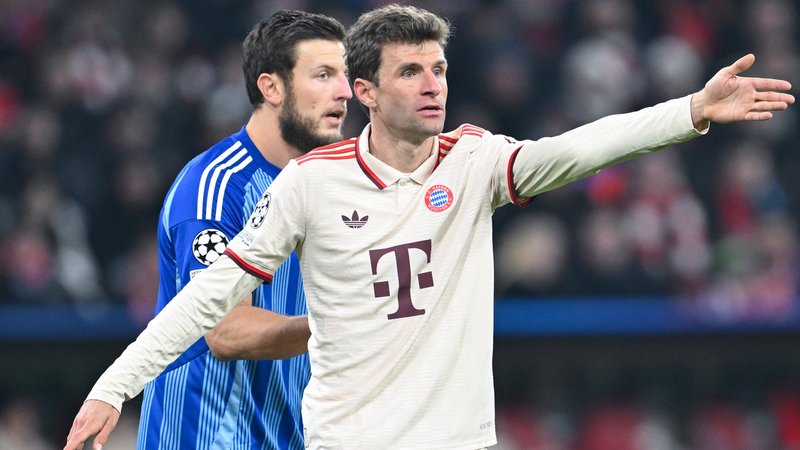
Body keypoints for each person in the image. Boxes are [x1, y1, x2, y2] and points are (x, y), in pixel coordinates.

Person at [65, 4, 794, 450]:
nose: (432, 84)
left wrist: (689, 112)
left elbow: (575, 151)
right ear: (367, 91)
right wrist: (113, 387)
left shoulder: (473, 163)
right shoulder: (311, 184)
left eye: (438, 68)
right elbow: (208, 301)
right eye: (410, 71)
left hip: (459, 442)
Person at [76, 10, 351, 450]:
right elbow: (225, 331)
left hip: (292, 436)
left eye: (345, 75)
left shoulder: (330, 185)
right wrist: (346, 325)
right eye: (323, 75)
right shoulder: (216, 187)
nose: (345, 92)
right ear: (272, 87)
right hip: (207, 437)